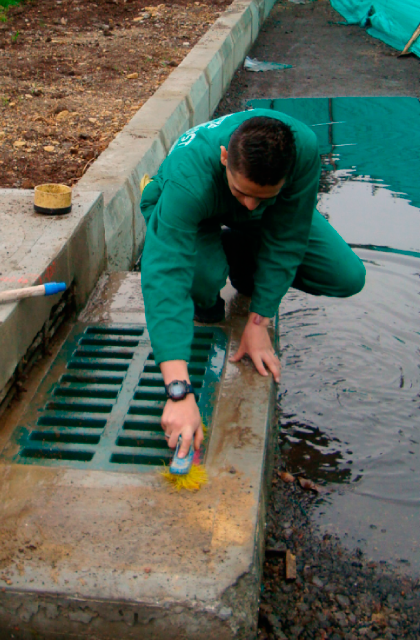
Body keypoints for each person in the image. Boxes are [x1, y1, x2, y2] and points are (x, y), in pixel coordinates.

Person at [139, 109, 365, 457]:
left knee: (347, 276)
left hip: (258, 214)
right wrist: (178, 391)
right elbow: (165, 278)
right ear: (225, 157)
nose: (249, 204)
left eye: (263, 196)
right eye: (242, 192)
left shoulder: (302, 151)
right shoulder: (190, 178)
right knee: (202, 284)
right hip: (196, 207)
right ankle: (211, 260)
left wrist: (260, 318)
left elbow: (289, 236)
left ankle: (238, 258)